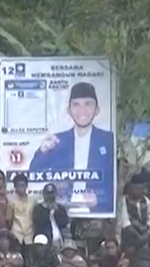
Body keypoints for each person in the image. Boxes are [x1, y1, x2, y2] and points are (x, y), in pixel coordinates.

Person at [28, 82, 115, 213]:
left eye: (88, 104)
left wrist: (99, 201)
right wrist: (43, 151)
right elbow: (34, 173)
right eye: (76, 105)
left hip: (96, 213)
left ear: (97, 109)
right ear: (69, 110)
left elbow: (114, 180)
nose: (82, 110)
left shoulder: (108, 140)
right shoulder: (58, 141)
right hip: (62, 210)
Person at [32, 183, 70, 250]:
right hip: (44, 241)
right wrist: (47, 209)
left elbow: (64, 223)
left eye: (52, 194)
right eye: (48, 194)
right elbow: (39, 222)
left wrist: (56, 211)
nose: (50, 197)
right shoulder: (38, 208)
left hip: (58, 240)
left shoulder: (60, 208)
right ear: (44, 195)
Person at [118, 179, 150, 249]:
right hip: (129, 239)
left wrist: (147, 234)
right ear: (130, 189)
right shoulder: (124, 200)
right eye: (137, 188)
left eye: (141, 188)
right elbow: (126, 223)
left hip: (145, 238)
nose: (140, 191)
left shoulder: (146, 200)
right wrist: (138, 236)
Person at [7, 174, 35, 256]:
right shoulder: (11, 200)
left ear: (26, 186)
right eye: (18, 185)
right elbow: (8, 220)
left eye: (23, 185)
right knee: (17, 257)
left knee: (29, 259)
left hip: (30, 235)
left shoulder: (32, 201)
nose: (21, 188)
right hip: (16, 235)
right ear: (15, 187)